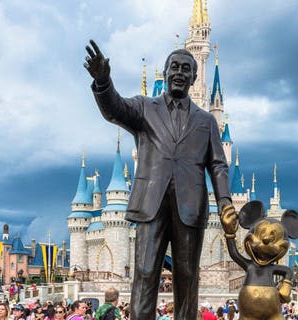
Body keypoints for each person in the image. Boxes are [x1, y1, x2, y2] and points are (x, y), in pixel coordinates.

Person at [84, 38, 233, 320]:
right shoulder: (144, 108)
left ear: (194, 76)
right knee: (144, 272)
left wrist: (224, 201)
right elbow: (114, 109)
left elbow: (218, 164)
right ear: (165, 73)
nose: (179, 72)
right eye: (173, 67)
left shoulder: (206, 121)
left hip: (190, 207)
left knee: (188, 277)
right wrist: (104, 83)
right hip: (150, 203)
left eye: (185, 69)